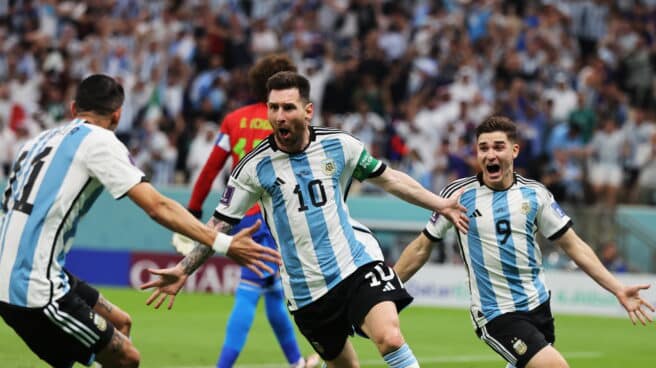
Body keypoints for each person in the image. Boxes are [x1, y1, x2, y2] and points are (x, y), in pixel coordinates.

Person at [141, 71, 469, 368]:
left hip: (354, 267)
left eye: (288, 108)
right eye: (273, 108)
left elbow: (391, 179)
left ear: (307, 111)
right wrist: (184, 268)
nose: (279, 117)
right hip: (306, 292)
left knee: (390, 338)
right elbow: (219, 226)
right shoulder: (254, 168)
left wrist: (442, 204)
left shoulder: (340, 146)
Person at [0, 74, 279, 368]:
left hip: (23, 272)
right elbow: (158, 206)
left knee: (121, 322)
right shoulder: (100, 141)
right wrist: (224, 242)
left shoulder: (35, 142)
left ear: (73, 109)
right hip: (32, 286)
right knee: (127, 358)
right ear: (118, 114)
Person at [393, 115, 654, 368]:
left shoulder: (535, 194)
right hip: (496, 313)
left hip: (538, 306)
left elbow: (574, 246)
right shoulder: (458, 195)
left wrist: (617, 288)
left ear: (514, 151)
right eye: (483, 148)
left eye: (498, 147)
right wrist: (384, 291)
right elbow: (421, 247)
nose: (490, 154)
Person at [173, 54, 319, 368]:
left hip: (242, 214)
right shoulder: (295, 118)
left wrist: (194, 210)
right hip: (280, 214)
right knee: (254, 288)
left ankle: (296, 362)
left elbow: (211, 168)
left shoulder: (234, 119)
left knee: (271, 289)